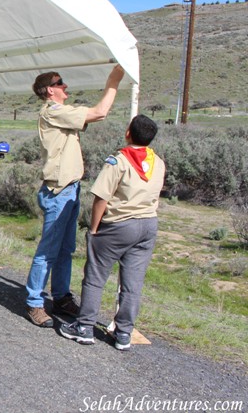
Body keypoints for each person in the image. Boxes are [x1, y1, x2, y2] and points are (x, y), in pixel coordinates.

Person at [25, 65, 125, 328]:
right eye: (60, 83)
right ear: (50, 90)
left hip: (69, 189)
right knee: (48, 251)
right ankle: (34, 302)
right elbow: (99, 112)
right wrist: (114, 80)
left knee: (65, 249)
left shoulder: (59, 112)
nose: (65, 86)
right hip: (58, 191)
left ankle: (60, 297)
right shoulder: (53, 111)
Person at [59, 115, 165, 350]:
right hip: (148, 224)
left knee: (96, 276)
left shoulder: (118, 161)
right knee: (132, 283)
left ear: (129, 132)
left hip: (119, 225)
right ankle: (124, 332)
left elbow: (101, 197)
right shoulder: (158, 161)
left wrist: (94, 229)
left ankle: (85, 326)